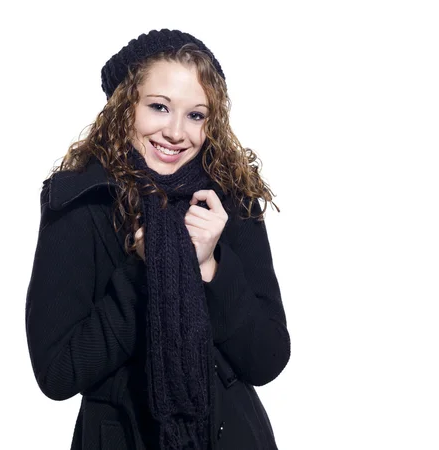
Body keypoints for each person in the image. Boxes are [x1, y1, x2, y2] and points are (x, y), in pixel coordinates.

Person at [25, 28, 290, 450]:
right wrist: (145, 270)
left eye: (196, 115)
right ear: (125, 105)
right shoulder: (80, 201)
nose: (175, 131)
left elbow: (268, 359)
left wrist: (209, 268)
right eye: (159, 107)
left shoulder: (230, 199)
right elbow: (57, 372)